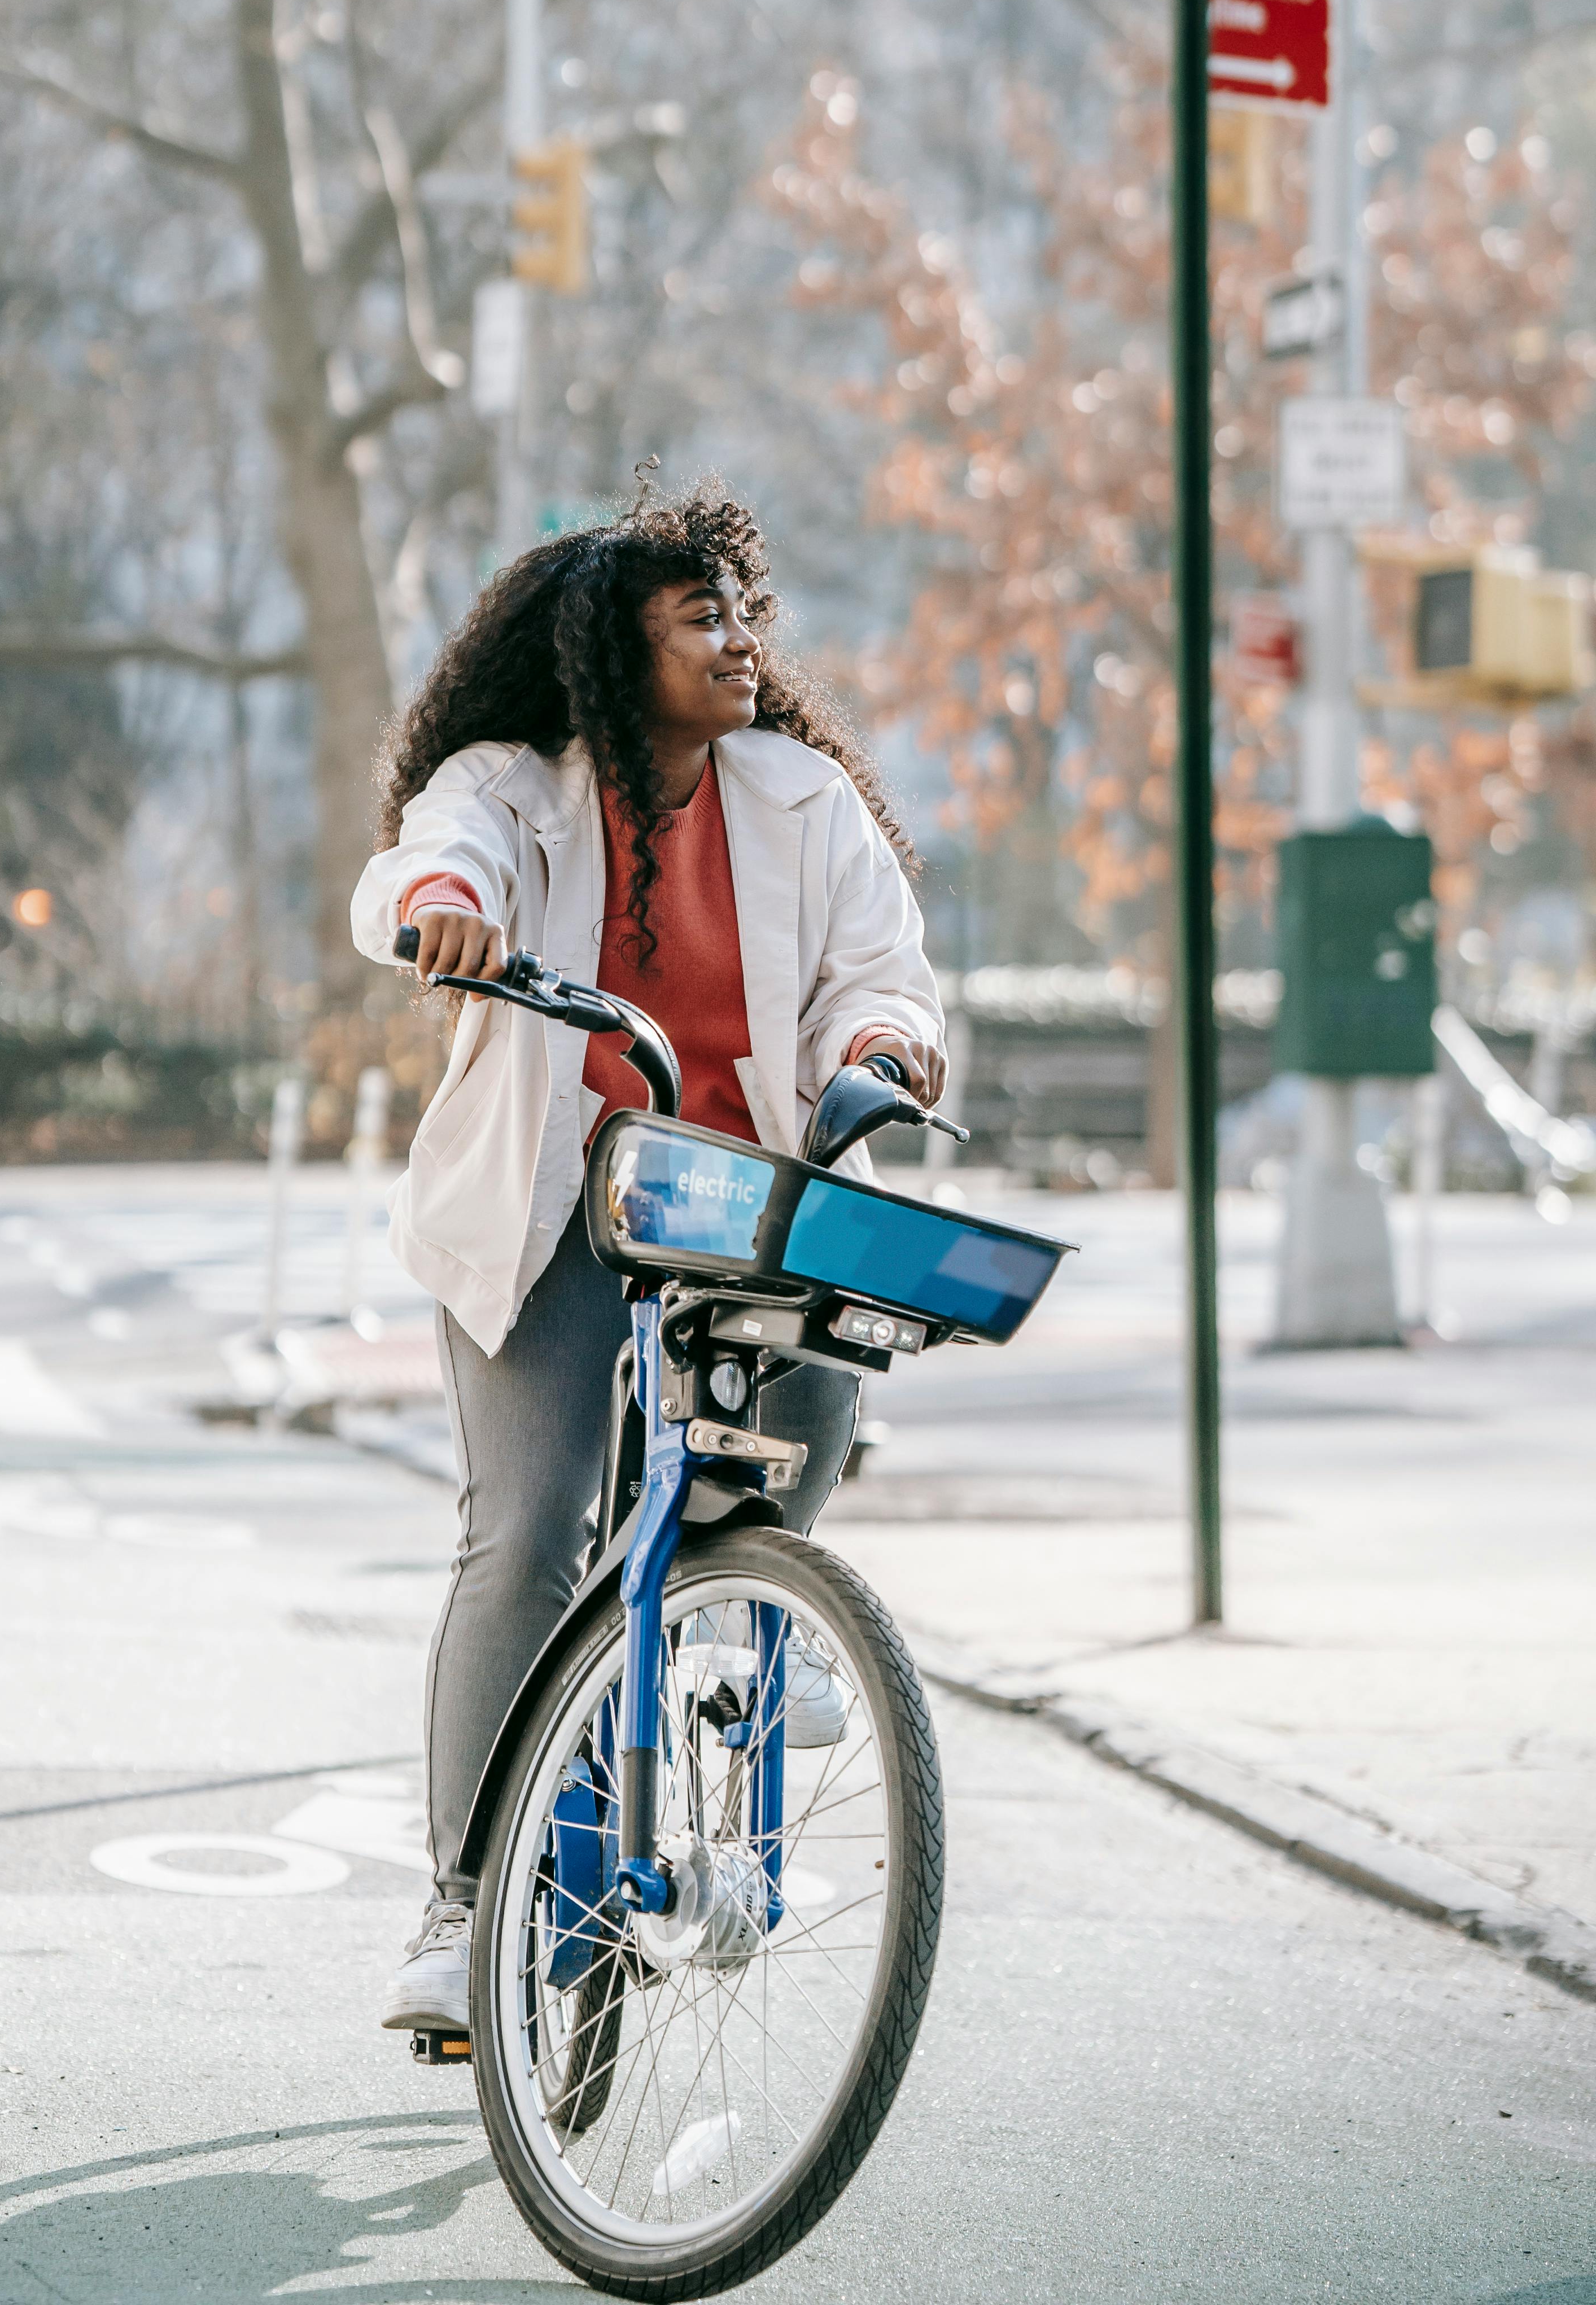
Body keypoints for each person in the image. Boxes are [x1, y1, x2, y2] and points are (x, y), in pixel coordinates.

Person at [350, 476, 945, 2037]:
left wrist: (887, 1040)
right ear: (621, 652)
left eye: (746, 613)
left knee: (815, 1388)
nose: (741, 641)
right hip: (551, 1214)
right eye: (702, 620)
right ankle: (467, 1902)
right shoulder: (514, 781)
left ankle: (749, 1616)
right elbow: (427, 858)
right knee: (529, 1526)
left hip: (735, 1199)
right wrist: (447, 909)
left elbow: (884, 973)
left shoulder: (802, 803)